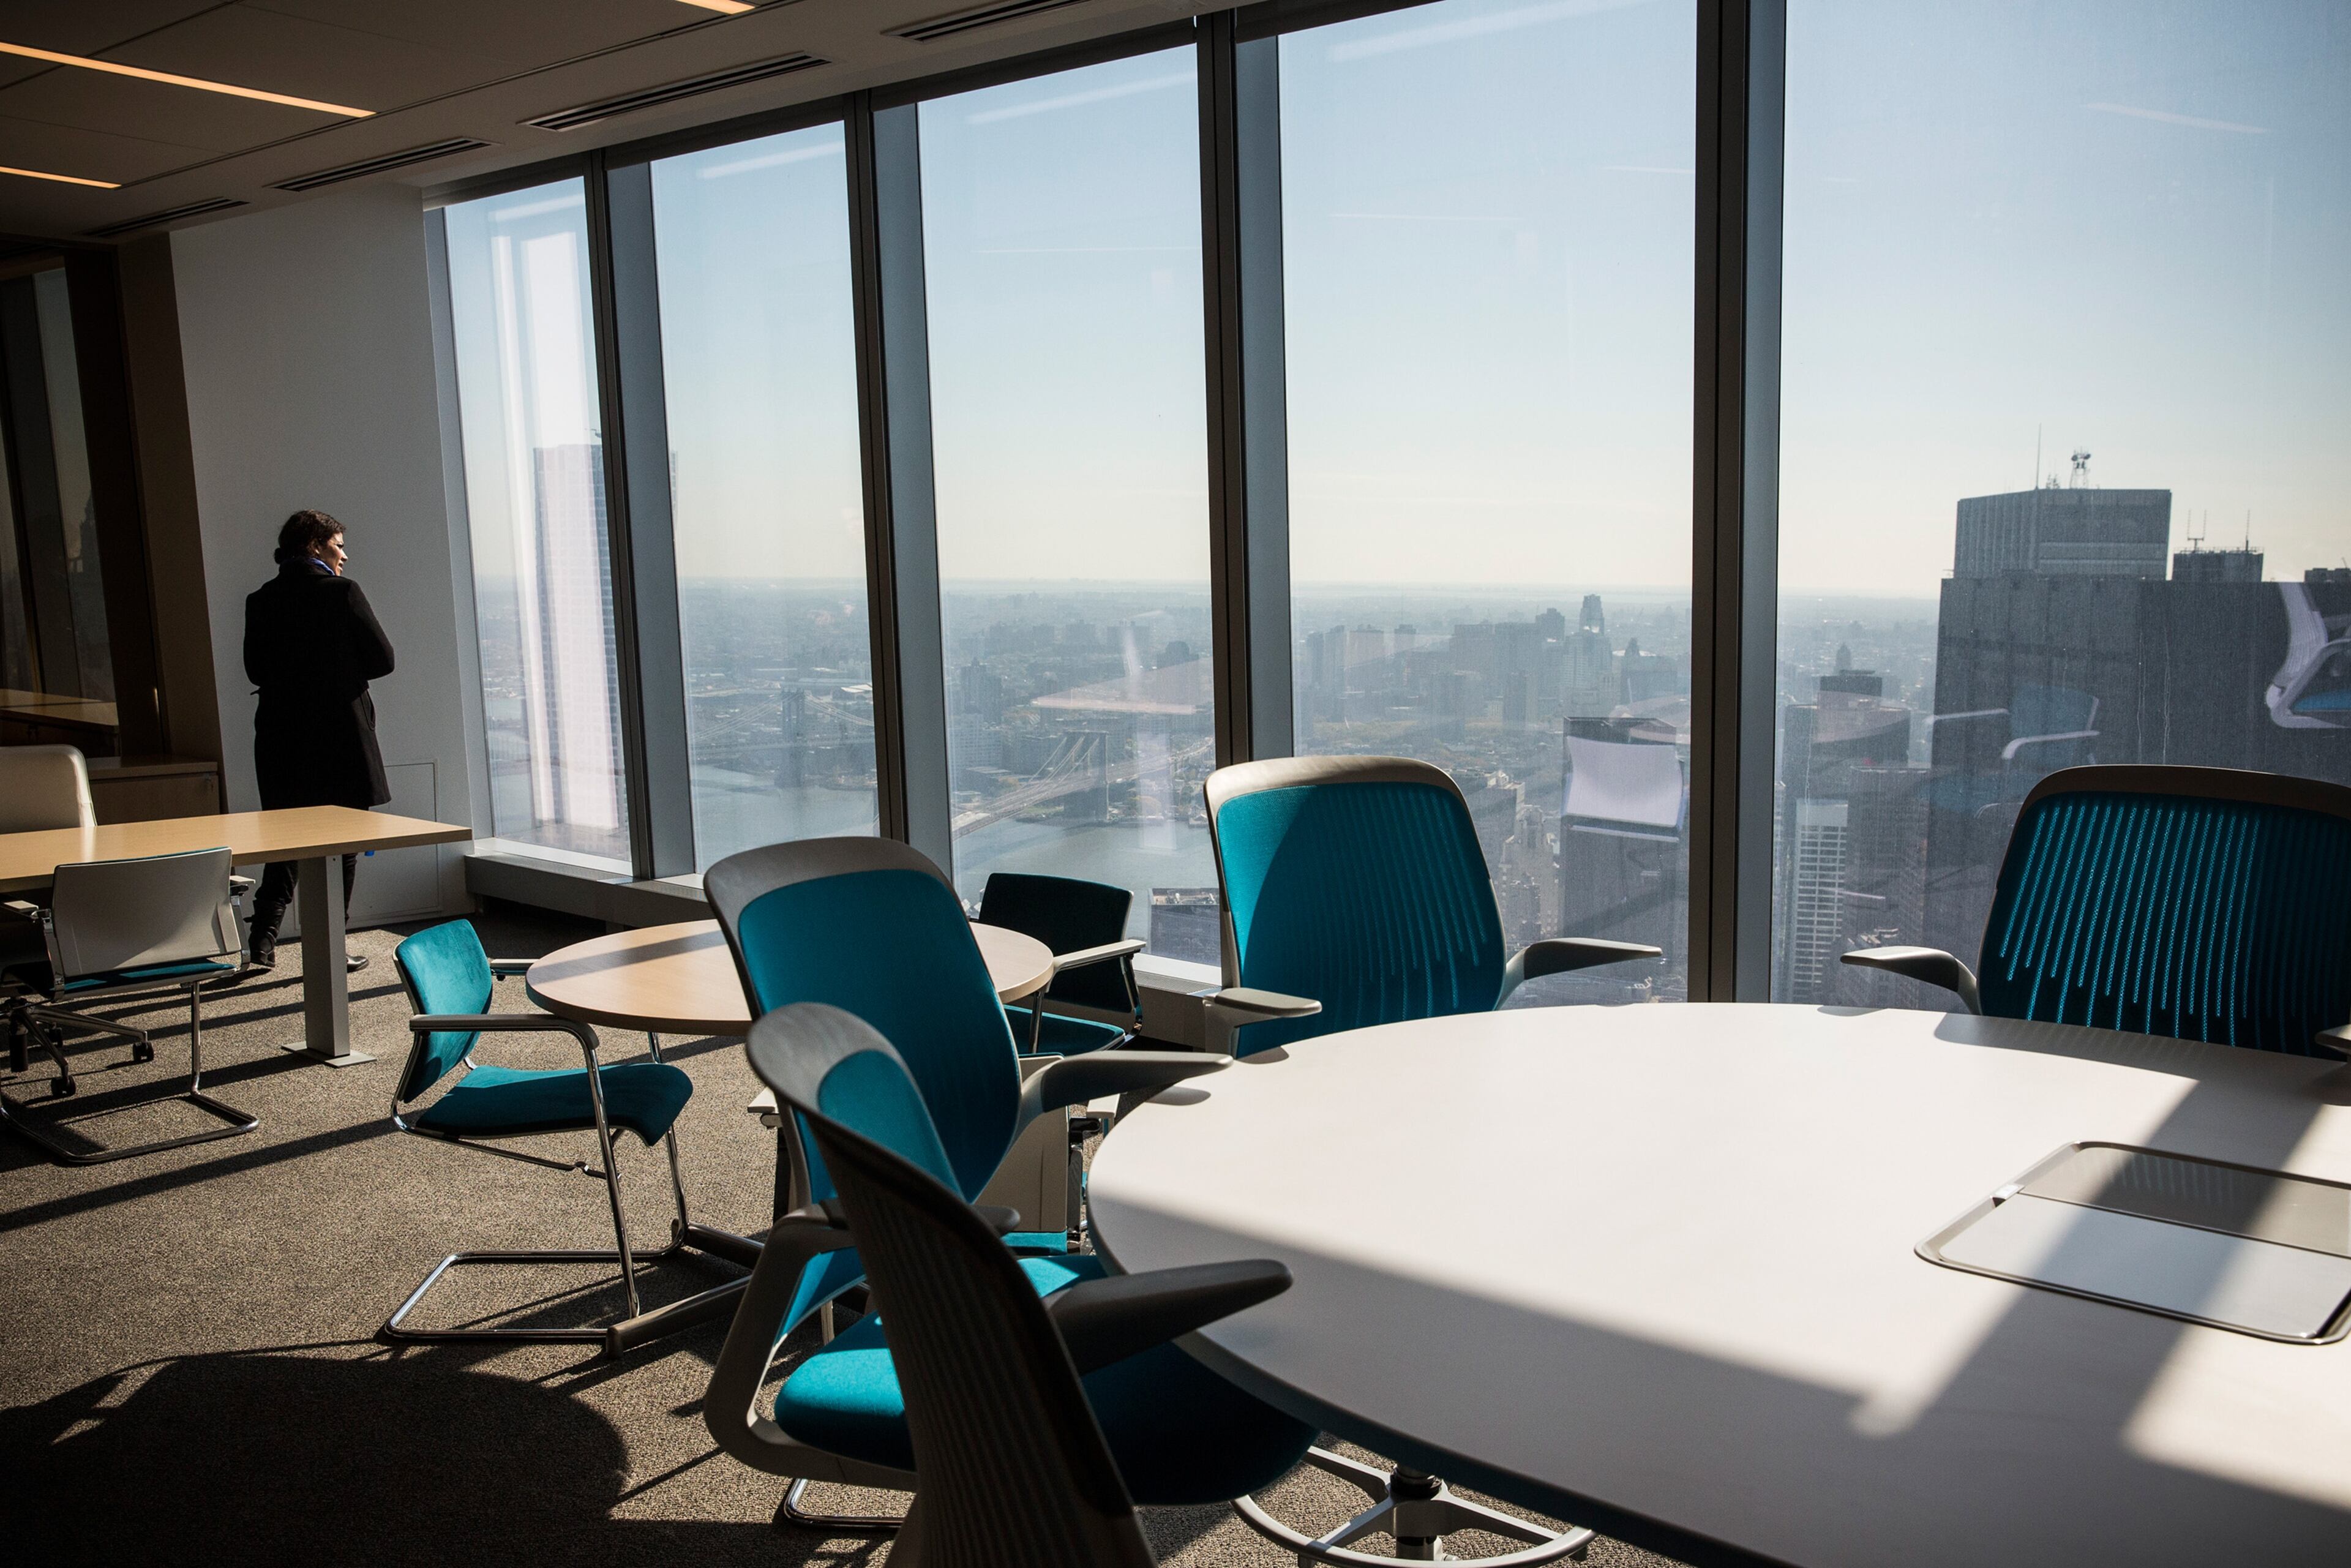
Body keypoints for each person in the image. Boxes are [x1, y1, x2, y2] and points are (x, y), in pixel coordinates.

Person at [242, 511, 395, 972]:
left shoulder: (261, 600)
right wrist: (337, 670)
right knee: (342, 845)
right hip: (339, 735)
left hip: (282, 736)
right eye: (338, 545)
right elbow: (383, 659)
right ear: (315, 545)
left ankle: (263, 938)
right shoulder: (342, 593)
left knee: (286, 838)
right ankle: (330, 945)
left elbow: (255, 670)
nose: (344, 555)